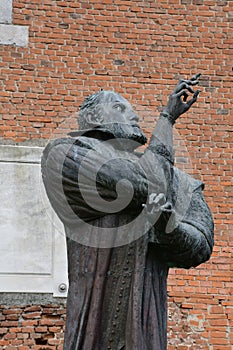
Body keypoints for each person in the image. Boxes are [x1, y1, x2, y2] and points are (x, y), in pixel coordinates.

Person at [41, 74, 214, 350]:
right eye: (120, 108)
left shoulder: (179, 181)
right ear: (92, 119)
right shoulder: (67, 154)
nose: (133, 114)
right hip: (93, 327)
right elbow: (137, 184)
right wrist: (166, 119)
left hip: (148, 326)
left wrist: (169, 227)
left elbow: (202, 244)